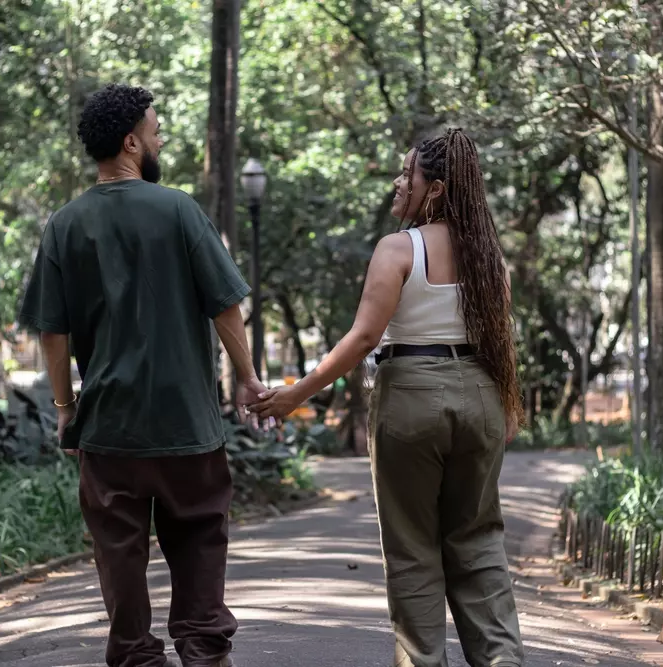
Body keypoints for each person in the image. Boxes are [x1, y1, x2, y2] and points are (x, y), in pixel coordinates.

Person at [250, 128, 525, 667]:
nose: (399, 183)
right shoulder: (489, 256)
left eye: (409, 175)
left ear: (437, 189)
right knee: (479, 542)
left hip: (412, 396)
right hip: (481, 394)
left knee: (414, 549)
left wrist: (293, 396)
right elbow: (501, 339)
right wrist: (507, 407)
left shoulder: (399, 248)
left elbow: (363, 337)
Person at [19, 84, 262, 667]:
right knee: (200, 538)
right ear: (131, 142)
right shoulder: (178, 208)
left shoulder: (64, 225)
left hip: (109, 428)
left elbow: (52, 334)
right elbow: (226, 305)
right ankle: (203, 651)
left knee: (120, 555)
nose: (160, 139)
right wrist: (248, 379)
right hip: (188, 427)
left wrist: (64, 410)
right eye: (155, 131)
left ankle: (134, 652)